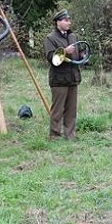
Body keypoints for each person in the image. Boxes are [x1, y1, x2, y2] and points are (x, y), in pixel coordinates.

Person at [43, 9, 82, 140]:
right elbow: (50, 57)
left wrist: (82, 55)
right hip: (58, 79)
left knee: (71, 109)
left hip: (72, 78)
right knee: (57, 110)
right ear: (57, 22)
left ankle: (70, 135)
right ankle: (54, 135)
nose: (69, 22)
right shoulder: (50, 38)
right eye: (66, 20)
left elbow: (79, 52)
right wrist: (65, 51)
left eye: (69, 20)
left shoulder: (73, 36)